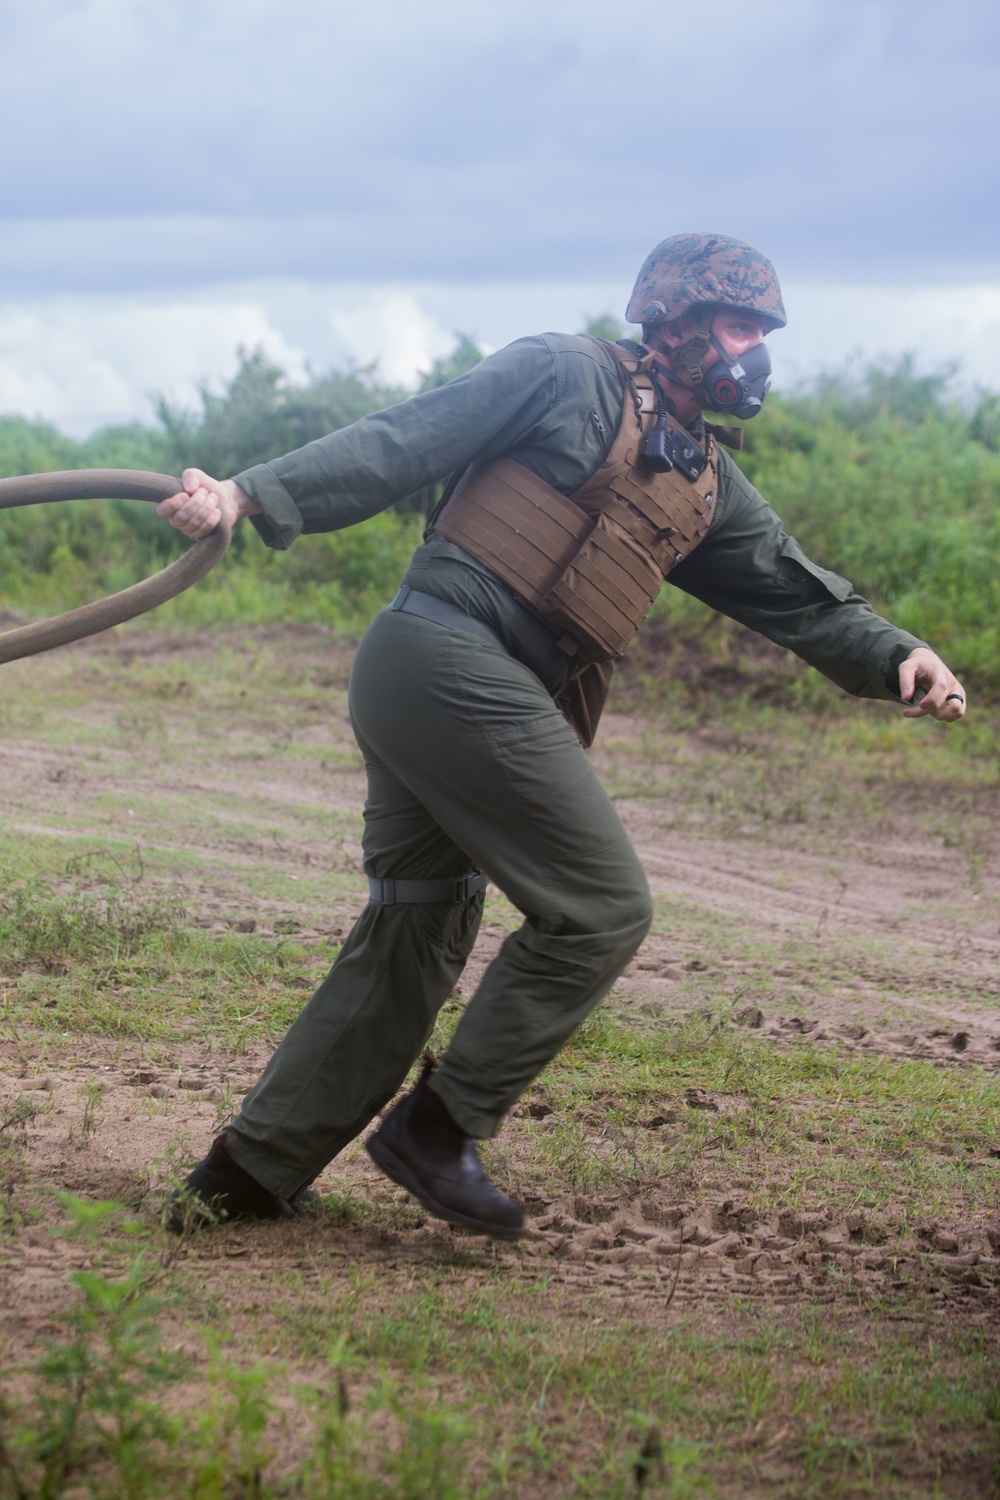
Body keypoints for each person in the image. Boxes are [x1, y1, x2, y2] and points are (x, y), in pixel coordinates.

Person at [159, 233, 966, 1239]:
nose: (752, 349)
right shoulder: (563, 372)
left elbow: (793, 591)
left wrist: (897, 654)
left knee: (422, 924)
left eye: (762, 331)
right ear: (671, 317)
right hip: (440, 659)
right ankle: (437, 1132)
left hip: (463, 689)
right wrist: (247, 494)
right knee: (600, 908)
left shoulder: (705, 480)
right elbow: (402, 438)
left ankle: (240, 1179)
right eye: (735, 323)